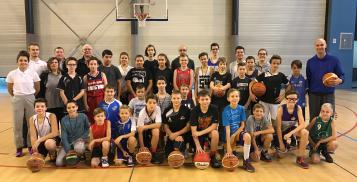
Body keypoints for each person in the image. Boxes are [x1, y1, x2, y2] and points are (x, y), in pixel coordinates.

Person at [6, 50, 40, 157]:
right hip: (18, 99)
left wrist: (30, 95)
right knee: (18, 124)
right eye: (21, 60)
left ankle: (31, 146)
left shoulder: (32, 73)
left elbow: (37, 87)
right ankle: (19, 147)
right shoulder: (12, 74)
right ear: (17, 62)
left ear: (28, 62)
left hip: (30, 98)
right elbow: (10, 89)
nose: (23, 62)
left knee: (31, 123)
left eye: (25, 60)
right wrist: (18, 97)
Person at [306, 38, 344, 121]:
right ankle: (313, 133)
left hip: (328, 94)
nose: (320, 47)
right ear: (315, 47)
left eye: (322, 45)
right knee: (314, 117)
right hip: (314, 94)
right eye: (317, 45)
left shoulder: (334, 60)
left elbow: (342, 75)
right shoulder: (310, 62)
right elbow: (308, 79)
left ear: (325, 45)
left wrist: (339, 80)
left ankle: (329, 133)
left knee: (329, 117)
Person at [250, 55, 289, 127]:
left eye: (277, 63)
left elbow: (289, 86)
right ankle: (262, 136)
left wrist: (283, 96)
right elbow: (252, 83)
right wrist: (251, 93)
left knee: (275, 121)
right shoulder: (264, 74)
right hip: (263, 101)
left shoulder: (281, 75)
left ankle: (275, 136)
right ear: (270, 63)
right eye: (274, 63)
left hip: (275, 102)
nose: (275, 65)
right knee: (262, 120)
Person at [275, 90, 309, 169]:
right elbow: (278, 128)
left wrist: (291, 133)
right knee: (281, 155)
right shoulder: (281, 109)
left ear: (297, 100)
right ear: (286, 99)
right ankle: (282, 144)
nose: (292, 101)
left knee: (305, 132)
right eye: (290, 99)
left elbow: (302, 124)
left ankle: (300, 158)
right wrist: (281, 143)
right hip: (282, 132)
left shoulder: (298, 108)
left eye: (294, 99)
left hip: (290, 130)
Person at [222, 89, 254, 172]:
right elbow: (227, 129)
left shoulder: (241, 109)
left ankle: (246, 160)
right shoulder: (225, 111)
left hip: (237, 132)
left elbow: (242, 125)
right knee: (230, 157)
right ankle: (226, 148)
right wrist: (229, 145)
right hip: (228, 134)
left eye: (236, 96)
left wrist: (234, 134)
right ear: (228, 98)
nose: (235, 98)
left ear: (239, 98)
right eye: (232, 96)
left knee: (247, 136)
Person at [190, 90, 221, 168]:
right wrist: (198, 146)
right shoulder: (194, 111)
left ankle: (213, 156)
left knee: (215, 133)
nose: (205, 101)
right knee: (198, 152)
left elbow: (214, 126)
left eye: (207, 99)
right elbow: (194, 132)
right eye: (202, 99)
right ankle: (196, 149)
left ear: (210, 99)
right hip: (197, 135)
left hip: (207, 132)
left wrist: (200, 133)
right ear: (199, 100)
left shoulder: (214, 109)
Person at [56, 101, 90, 167]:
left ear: (77, 107)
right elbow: (64, 135)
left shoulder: (83, 116)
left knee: (78, 148)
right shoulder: (63, 120)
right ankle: (69, 156)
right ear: (66, 109)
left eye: (73, 107)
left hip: (79, 141)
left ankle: (79, 157)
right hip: (68, 143)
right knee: (59, 163)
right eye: (69, 108)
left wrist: (82, 138)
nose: (71, 109)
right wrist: (68, 150)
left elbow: (87, 129)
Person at [163, 90, 192, 156]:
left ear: (181, 98)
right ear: (171, 99)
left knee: (177, 150)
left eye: (178, 98)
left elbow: (188, 127)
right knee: (168, 155)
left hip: (183, 135)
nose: (176, 100)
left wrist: (177, 134)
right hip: (171, 135)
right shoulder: (167, 110)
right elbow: (165, 125)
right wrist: (170, 134)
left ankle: (184, 149)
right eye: (174, 98)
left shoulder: (187, 110)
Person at [209, 57, 231, 142]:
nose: (222, 66)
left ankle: (222, 139)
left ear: (226, 65)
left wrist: (221, 88)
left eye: (224, 64)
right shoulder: (215, 74)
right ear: (218, 65)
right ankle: (212, 138)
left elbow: (229, 85)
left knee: (222, 121)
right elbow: (211, 84)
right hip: (214, 100)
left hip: (224, 101)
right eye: (221, 64)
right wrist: (215, 88)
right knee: (213, 120)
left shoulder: (228, 75)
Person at [137, 95, 162, 164]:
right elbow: (139, 131)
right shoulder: (142, 113)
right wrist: (142, 146)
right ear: (146, 103)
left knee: (156, 131)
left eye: (154, 103)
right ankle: (143, 148)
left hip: (149, 128)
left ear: (156, 103)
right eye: (150, 102)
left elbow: (158, 124)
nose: (152, 105)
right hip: (143, 132)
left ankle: (153, 153)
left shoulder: (158, 108)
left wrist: (145, 127)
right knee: (143, 147)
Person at [38, 57, 64, 122]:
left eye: (56, 62)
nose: (54, 64)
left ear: (58, 64)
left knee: (63, 125)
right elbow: (40, 90)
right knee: (53, 126)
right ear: (49, 64)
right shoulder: (44, 75)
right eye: (52, 62)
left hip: (62, 105)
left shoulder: (63, 74)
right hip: (50, 105)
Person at [83, 57, 108, 123]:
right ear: (88, 65)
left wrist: (105, 100)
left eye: (94, 64)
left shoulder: (102, 74)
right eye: (91, 64)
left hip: (101, 99)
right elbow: (84, 92)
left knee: (102, 117)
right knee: (92, 118)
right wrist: (85, 104)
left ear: (97, 65)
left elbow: (106, 89)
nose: (93, 66)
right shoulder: (85, 77)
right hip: (90, 100)